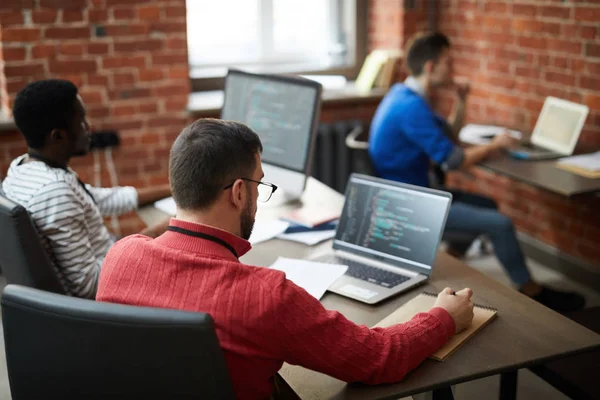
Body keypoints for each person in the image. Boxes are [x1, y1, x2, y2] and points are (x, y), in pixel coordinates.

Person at [97, 118, 475, 400]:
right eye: (261, 184)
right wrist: (443, 317)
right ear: (239, 193)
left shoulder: (120, 257)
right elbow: (379, 358)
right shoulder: (265, 296)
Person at [368, 32, 585, 313]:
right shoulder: (410, 107)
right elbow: (453, 160)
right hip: (413, 205)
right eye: (449, 62)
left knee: (488, 205)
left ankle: (452, 260)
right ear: (432, 66)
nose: (453, 69)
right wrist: (495, 145)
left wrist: (461, 100)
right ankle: (534, 292)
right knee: (501, 223)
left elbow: (448, 136)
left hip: (411, 191)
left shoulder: (404, 95)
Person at [2, 79, 171, 299]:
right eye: (81, 121)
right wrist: (156, 233)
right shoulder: (55, 191)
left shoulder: (24, 168)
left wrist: (174, 189)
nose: (88, 126)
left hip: (111, 263)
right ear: (58, 136)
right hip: (106, 301)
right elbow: (89, 287)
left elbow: (99, 199)